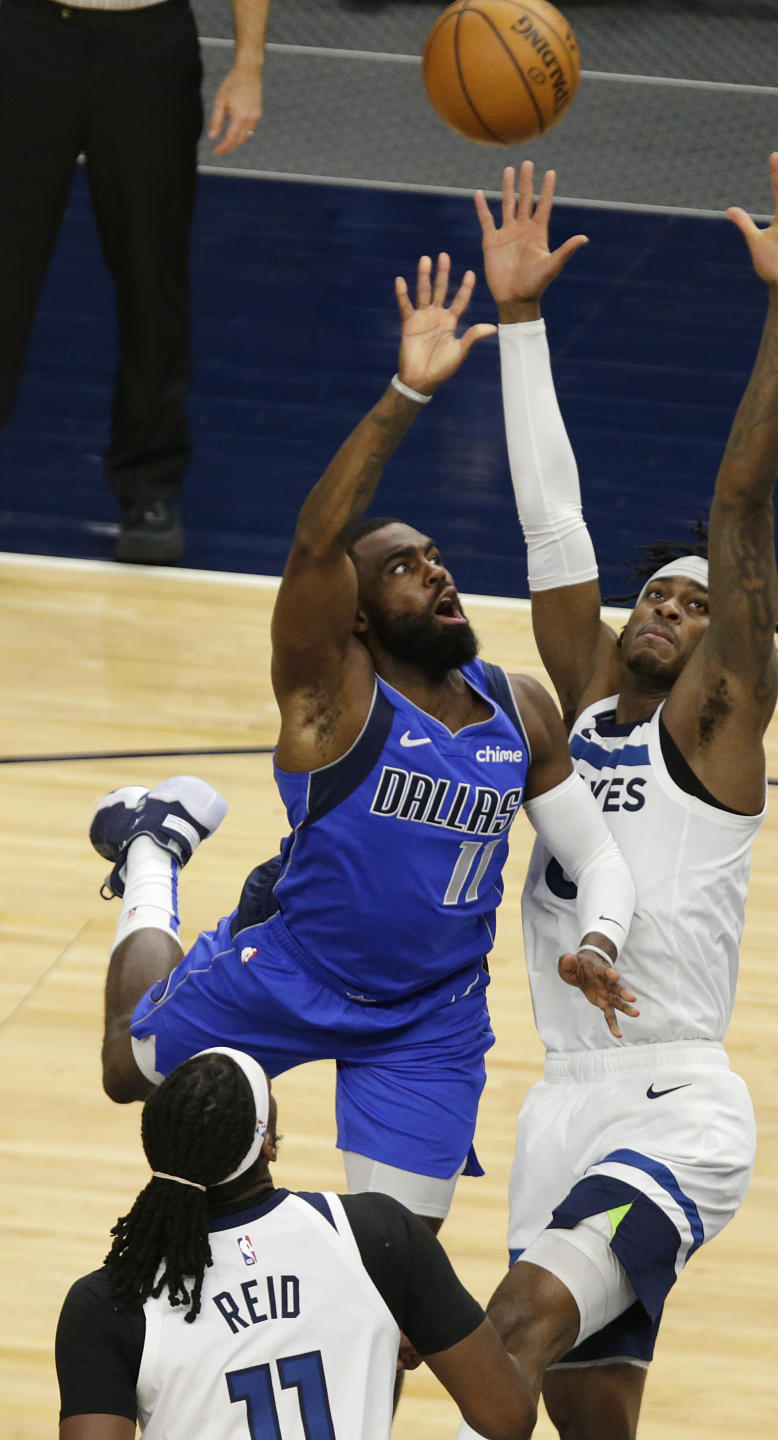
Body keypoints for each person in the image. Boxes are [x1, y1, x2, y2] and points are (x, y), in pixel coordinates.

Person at [87, 252, 636, 1241]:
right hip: (294, 972)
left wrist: (597, 941)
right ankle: (152, 853)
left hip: (429, 1017)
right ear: (356, 618)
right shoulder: (329, 701)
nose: (435, 573)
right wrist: (404, 394)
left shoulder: (519, 709)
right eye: (403, 568)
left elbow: (594, 854)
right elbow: (314, 545)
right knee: (127, 1073)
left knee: (397, 1287)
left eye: (436, 558)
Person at [453, 153, 778, 1439]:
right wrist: (519, 324)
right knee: (586, 1419)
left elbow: (742, 506)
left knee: (500, 1343)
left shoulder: (719, 725)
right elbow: (549, 518)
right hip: (559, 1096)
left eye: (696, 603)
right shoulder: (584, 709)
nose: (671, 610)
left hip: (677, 1103)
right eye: (657, 597)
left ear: (732, 636)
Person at [55, 1046, 538, 1439]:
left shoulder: (107, 1303)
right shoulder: (377, 1236)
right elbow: (508, 1416)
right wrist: (415, 1322)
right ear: (268, 1145)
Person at [0, 0, 270, 565]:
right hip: (26, 33)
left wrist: (249, 65)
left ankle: (150, 488)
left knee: (154, 281)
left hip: (148, 44)